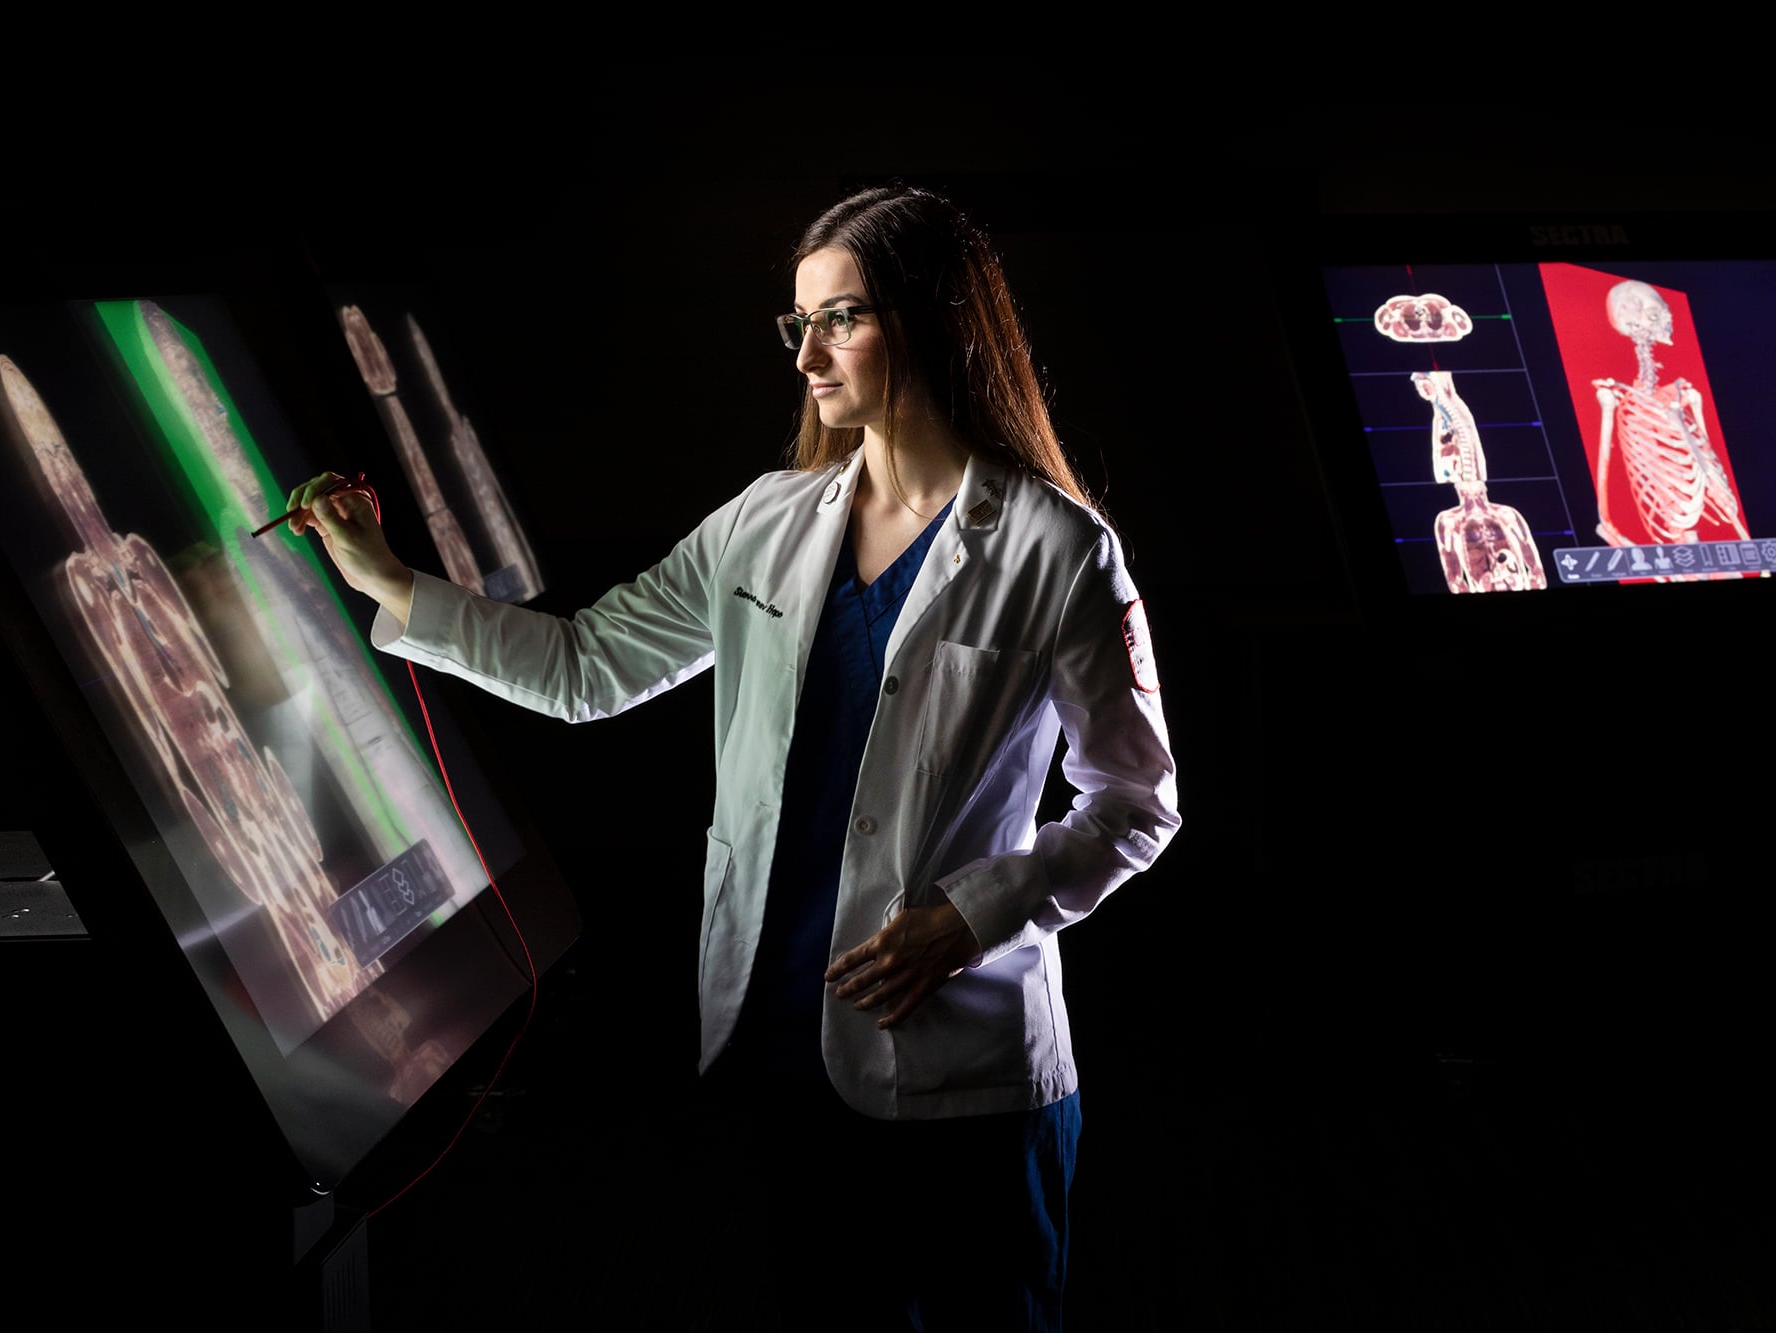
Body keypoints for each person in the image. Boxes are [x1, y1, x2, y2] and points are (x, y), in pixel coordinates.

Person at [287, 182, 1179, 1329]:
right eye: (796, 323)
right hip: (781, 1047)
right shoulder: (765, 518)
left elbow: (1136, 802)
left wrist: (973, 912)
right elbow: (582, 668)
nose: (807, 354)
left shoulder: (1057, 548)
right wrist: (390, 583)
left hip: (967, 1072)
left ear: (933, 319)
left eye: (840, 318)